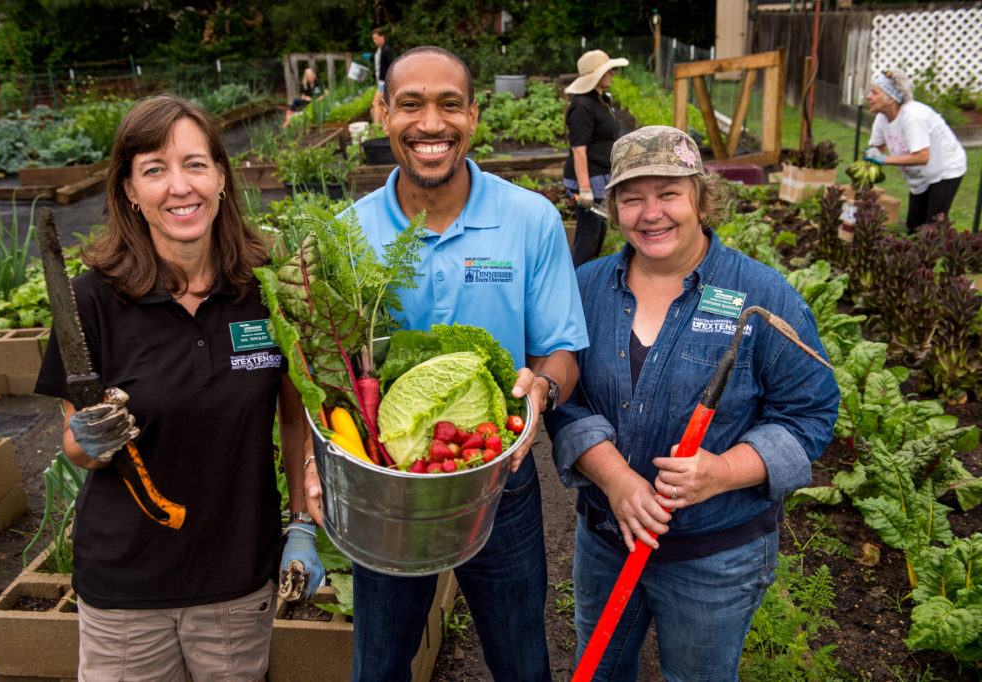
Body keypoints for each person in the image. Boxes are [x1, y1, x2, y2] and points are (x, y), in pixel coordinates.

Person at [314, 46, 588, 681]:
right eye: (410, 103)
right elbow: (324, 373)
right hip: (389, 480)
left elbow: (562, 350)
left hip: (497, 474)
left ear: (474, 116)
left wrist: (542, 385)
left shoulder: (530, 220)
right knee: (379, 665)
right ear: (382, 112)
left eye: (449, 105)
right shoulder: (344, 236)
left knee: (521, 660)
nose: (430, 124)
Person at [35, 95, 324, 680]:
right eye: (154, 169)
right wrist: (87, 442)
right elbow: (74, 441)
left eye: (195, 163)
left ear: (220, 176)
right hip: (124, 588)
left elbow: (296, 420)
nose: (179, 186)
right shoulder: (91, 300)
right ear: (128, 193)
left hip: (238, 580)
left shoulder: (265, 288)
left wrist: (300, 525)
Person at [544, 126, 839, 681]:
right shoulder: (584, 288)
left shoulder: (762, 294)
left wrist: (724, 470)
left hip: (716, 557)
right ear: (614, 208)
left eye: (669, 194)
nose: (650, 213)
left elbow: (810, 415)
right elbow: (563, 397)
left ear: (702, 197)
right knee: (600, 670)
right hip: (606, 544)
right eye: (632, 197)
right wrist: (616, 480)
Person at [864, 68, 967, 231]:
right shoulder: (882, 118)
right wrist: (871, 171)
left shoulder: (913, 116)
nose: (868, 97)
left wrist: (884, 159)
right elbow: (875, 149)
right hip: (919, 176)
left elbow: (922, 156)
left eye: (874, 93)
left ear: (890, 98)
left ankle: (942, 253)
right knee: (914, 225)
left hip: (945, 169)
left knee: (932, 227)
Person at [563, 49, 628, 267]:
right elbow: (579, 150)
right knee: (588, 237)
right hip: (588, 178)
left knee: (598, 232)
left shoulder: (600, 100)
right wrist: (585, 189)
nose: (613, 74)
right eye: (608, 70)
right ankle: (575, 281)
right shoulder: (582, 106)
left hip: (600, 173)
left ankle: (585, 276)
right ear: (596, 76)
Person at [370, 27, 394, 125]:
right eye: (373, 39)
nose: (374, 41)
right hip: (380, 80)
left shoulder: (386, 50)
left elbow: (391, 65)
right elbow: (379, 63)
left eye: (376, 38)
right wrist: (371, 58)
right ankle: (384, 125)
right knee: (382, 105)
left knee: (375, 103)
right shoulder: (379, 50)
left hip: (384, 81)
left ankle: (376, 127)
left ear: (382, 37)